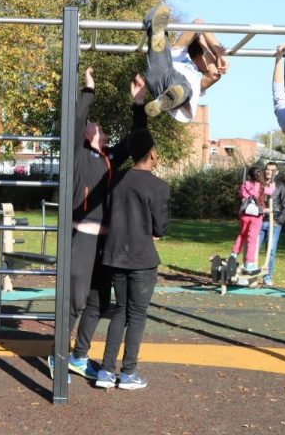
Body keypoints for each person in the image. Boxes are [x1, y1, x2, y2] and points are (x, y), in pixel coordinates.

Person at [48, 67, 148, 381]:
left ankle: (78, 356)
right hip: (81, 239)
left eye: (98, 125)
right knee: (75, 302)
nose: (97, 125)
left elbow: (138, 141)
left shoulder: (109, 158)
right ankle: (58, 355)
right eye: (94, 123)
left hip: (105, 244)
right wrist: (88, 90)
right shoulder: (77, 156)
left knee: (98, 301)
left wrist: (139, 102)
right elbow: (76, 121)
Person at [95, 128, 171, 390]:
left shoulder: (115, 179)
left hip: (116, 254)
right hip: (142, 257)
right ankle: (128, 373)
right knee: (137, 314)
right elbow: (160, 228)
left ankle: (106, 371)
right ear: (151, 153)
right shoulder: (159, 186)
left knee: (120, 311)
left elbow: (106, 215)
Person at [142, 7, 229, 121]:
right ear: (200, 53)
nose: (211, 64)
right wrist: (218, 52)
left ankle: (165, 100)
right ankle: (157, 31)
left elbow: (214, 75)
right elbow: (198, 22)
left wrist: (209, 49)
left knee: (184, 88)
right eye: (211, 60)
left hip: (173, 88)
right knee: (158, 25)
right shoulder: (180, 51)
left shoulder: (199, 80)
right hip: (160, 72)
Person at [228, 166, 275, 279]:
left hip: (245, 214)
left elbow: (242, 194)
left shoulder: (245, 185)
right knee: (252, 239)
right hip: (256, 216)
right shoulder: (262, 187)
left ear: (249, 175)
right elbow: (271, 192)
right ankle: (249, 263)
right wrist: (272, 187)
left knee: (242, 234)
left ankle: (234, 254)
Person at [257, 162, 285, 286]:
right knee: (253, 249)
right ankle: (251, 274)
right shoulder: (259, 184)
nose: (268, 172)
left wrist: (279, 220)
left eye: (272, 170)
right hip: (259, 222)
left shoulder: (281, 186)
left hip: (274, 224)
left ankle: (267, 277)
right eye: (267, 169)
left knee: (271, 251)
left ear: (276, 172)